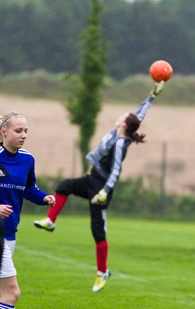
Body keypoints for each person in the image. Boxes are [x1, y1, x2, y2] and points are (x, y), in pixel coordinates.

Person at [34, 81, 165, 292]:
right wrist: (152, 95)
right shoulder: (124, 131)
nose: (122, 116)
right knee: (64, 186)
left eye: (123, 117)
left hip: (102, 187)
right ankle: (50, 220)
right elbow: (139, 115)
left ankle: (102, 272)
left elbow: (115, 171)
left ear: (124, 124)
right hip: (91, 179)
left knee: (97, 230)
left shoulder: (121, 143)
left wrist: (104, 192)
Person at [0, 111, 55, 309]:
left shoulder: (27, 159)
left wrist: (44, 198)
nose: (23, 135)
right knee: (12, 293)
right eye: (18, 130)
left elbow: (29, 188)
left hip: (10, 233)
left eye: (26, 131)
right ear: (3, 132)